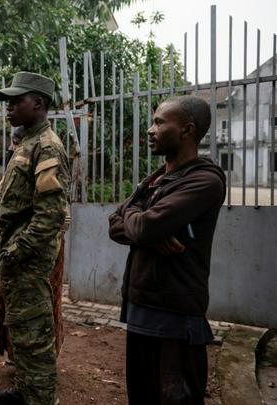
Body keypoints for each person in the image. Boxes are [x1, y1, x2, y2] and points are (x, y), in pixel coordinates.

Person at [108, 96, 226, 405]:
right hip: (141, 310)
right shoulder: (156, 178)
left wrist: (139, 221)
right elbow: (114, 224)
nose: (150, 130)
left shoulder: (205, 181)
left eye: (160, 122)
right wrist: (146, 229)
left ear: (187, 130)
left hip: (175, 318)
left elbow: (141, 226)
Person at [0, 72, 71, 405]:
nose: (8, 107)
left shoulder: (46, 146)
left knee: (35, 332)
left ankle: (41, 398)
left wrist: (15, 252)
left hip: (29, 258)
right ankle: (26, 389)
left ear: (38, 103)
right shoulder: (27, 142)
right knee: (21, 328)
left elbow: (50, 214)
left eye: (15, 101)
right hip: (16, 257)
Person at [0, 127, 66, 362]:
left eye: (15, 143)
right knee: (15, 306)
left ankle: (41, 359)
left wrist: (19, 249)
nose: (11, 148)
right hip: (15, 248)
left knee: (41, 305)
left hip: (34, 248)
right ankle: (17, 355)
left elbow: (51, 213)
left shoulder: (45, 153)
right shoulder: (15, 166)